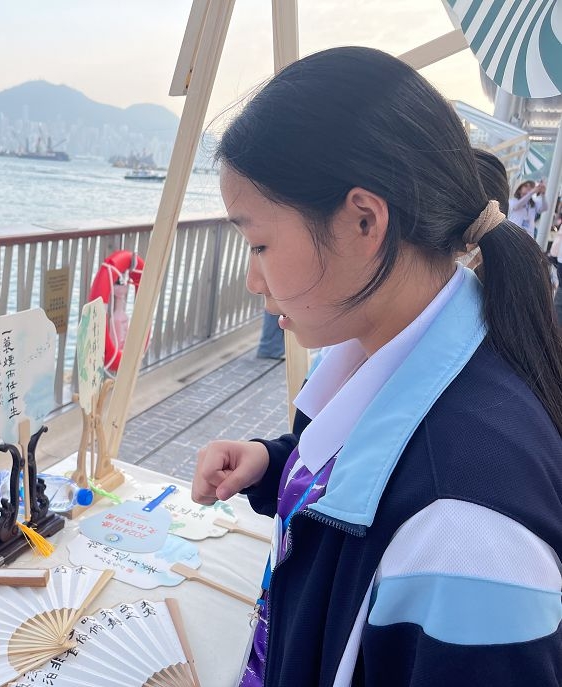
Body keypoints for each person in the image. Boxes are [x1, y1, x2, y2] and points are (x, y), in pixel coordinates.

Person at [193, 46, 562, 686]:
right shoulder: (416, 354)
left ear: (365, 220)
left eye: (259, 243)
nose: (253, 279)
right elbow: (376, 477)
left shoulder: (465, 528)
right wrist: (276, 465)